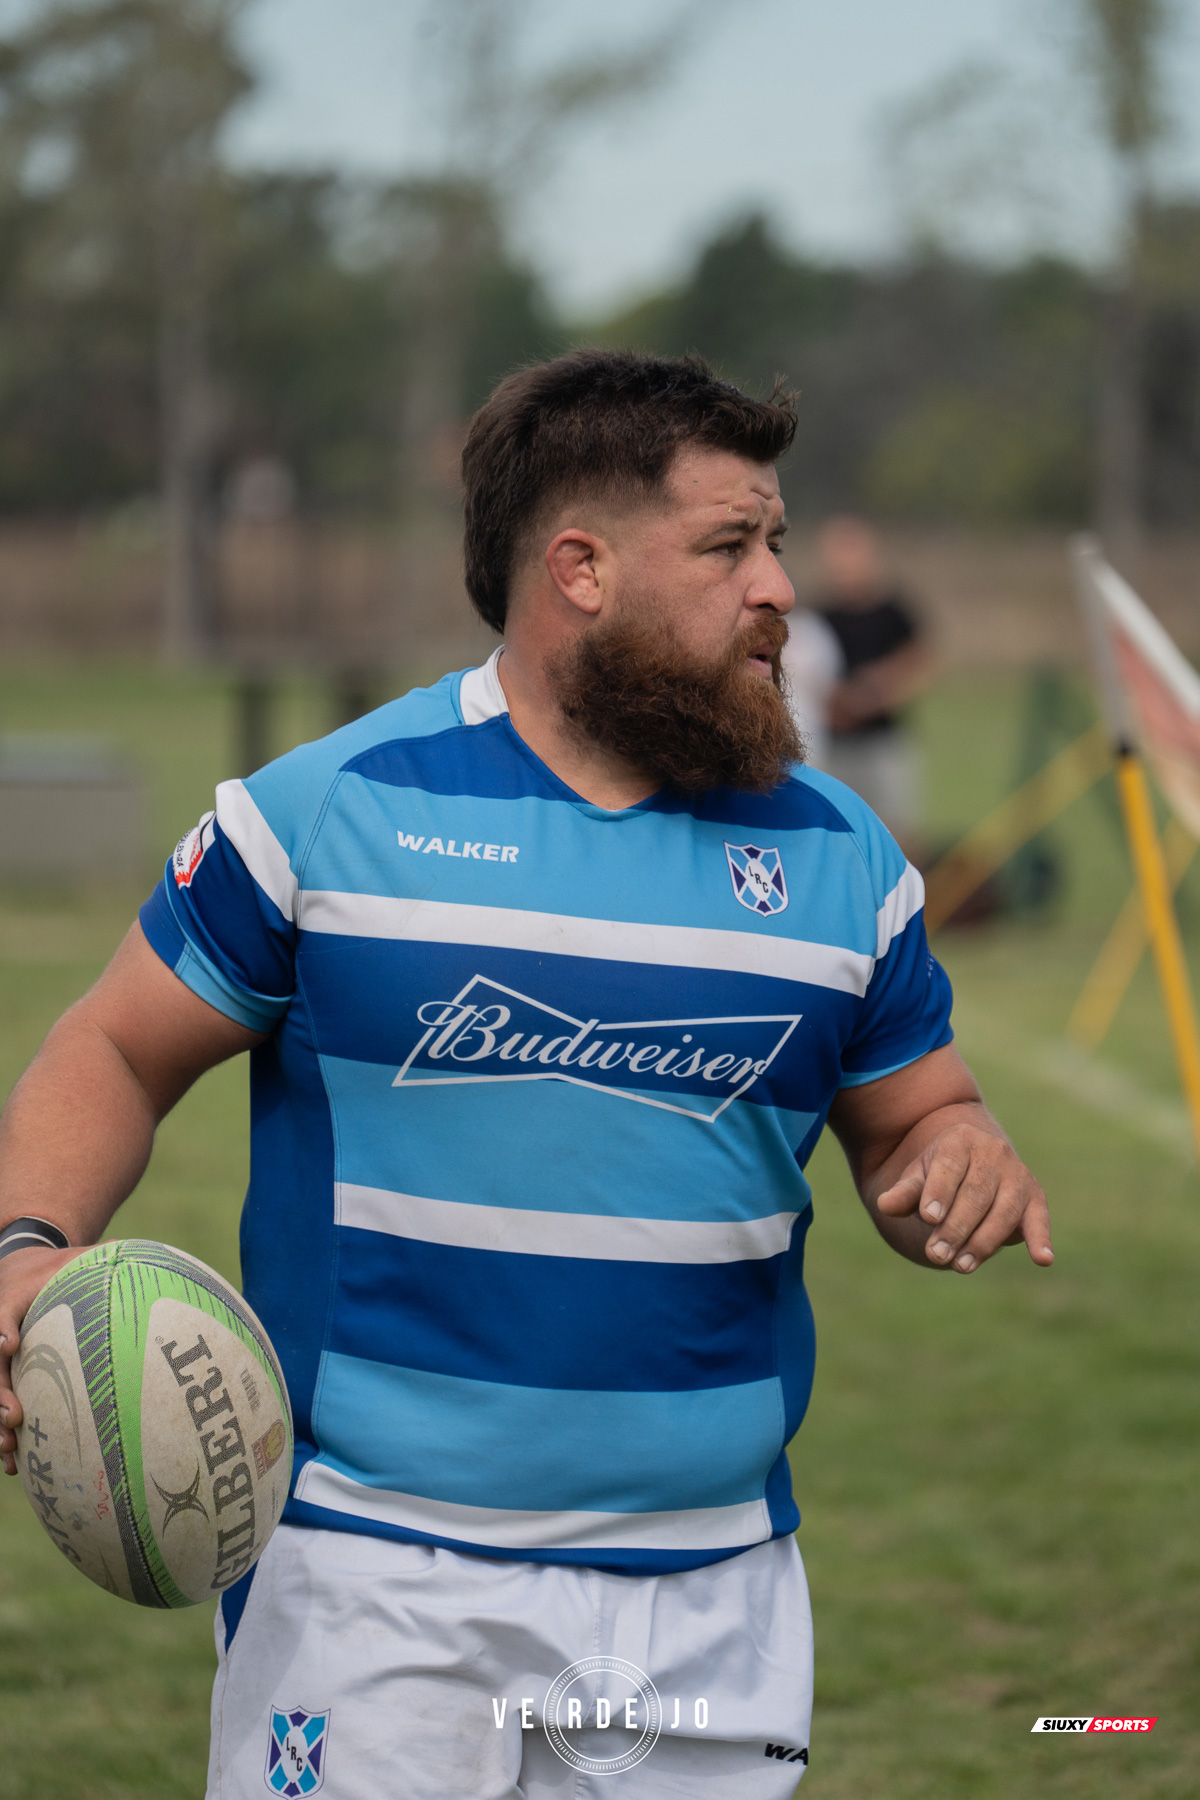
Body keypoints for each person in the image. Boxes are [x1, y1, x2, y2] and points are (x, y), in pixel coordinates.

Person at [0, 351, 1051, 1799]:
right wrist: (26, 1244)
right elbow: (111, 1045)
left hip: (714, 1597)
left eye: (779, 544)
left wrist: (959, 1153)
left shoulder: (840, 858)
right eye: (731, 546)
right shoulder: (330, 816)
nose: (779, 591)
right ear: (582, 570)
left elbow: (919, 1111)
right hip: (374, 1583)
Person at [814, 515, 933, 846]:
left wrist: (881, 688)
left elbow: (919, 661)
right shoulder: (822, 615)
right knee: (837, 831)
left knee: (897, 830)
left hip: (884, 742)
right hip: (835, 743)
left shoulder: (892, 611)